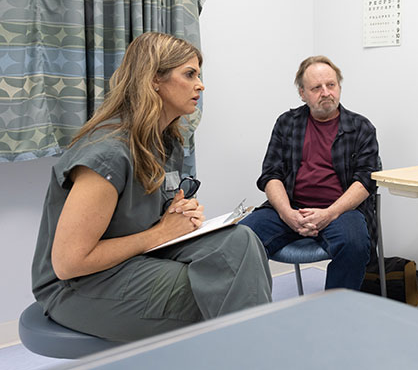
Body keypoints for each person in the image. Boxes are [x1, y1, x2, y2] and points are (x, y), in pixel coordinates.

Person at [31, 32, 272, 342]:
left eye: (198, 74)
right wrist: (159, 233)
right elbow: (69, 263)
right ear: (154, 79)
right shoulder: (108, 152)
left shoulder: (165, 143)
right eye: (189, 74)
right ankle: (260, 353)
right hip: (79, 287)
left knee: (241, 240)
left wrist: (179, 216)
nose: (200, 85)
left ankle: (256, 351)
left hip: (134, 262)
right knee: (224, 285)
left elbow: (151, 214)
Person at [239, 55, 379, 290]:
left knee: (354, 244)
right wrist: (287, 214)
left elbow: (366, 181)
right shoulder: (286, 123)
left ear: (339, 87)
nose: (326, 92)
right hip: (290, 207)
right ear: (302, 93)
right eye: (316, 88)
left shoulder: (361, 127)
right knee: (242, 237)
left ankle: (334, 313)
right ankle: (253, 313)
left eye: (331, 85)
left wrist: (329, 214)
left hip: (341, 210)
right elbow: (270, 174)